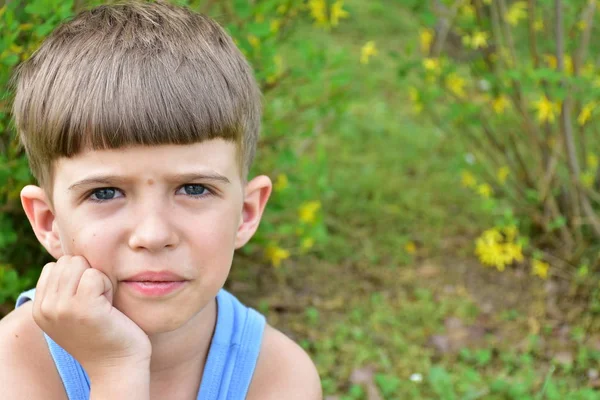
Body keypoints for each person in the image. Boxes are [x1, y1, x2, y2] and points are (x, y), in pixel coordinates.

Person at [0, 1, 322, 399]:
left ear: (246, 212)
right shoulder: (16, 361)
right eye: (104, 193)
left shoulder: (278, 377)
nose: (153, 234)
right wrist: (117, 370)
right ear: (49, 222)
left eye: (194, 189)